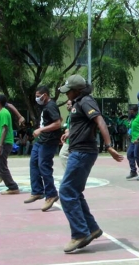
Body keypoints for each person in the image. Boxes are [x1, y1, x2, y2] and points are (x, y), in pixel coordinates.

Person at [58, 74, 123, 253]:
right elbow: (83, 124)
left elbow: (99, 121)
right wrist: (70, 133)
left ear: (76, 90)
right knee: (75, 192)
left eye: (68, 91)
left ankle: (79, 233)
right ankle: (92, 228)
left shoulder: (86, 101)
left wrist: (109, 146)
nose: (66, 94)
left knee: (66, 191)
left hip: (82, 152)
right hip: (79, 150)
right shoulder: (78, 103)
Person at [24, 86, 63, 212]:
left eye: (38, 95)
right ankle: (37, 191)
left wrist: (41, 129)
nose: (36, 98)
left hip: (49, 141)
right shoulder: (45, 106)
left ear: (45, 95)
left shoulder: (51, 105)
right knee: (34, 163)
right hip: (41, 140)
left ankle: (51, 194)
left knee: (43, 165)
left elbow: (58, 123)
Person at [126, 104, 139, 180]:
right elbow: (131, 127)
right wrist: (129, 133)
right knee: (129, 154)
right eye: (129, 112)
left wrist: (138, 139)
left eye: (131, 112)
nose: (130, 113)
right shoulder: (133, 118)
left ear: (135, 111)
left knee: (136, 155)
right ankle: (133, 171)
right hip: (133, 140)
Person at [59, 100, 73, 170]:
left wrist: (69, 131)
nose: (67, 106)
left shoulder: (74, 114)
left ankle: (68, 173)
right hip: (68, 140)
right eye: (67, 104)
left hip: (72, 140)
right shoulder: (69, 116)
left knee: (63, 154)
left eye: (69, 104)